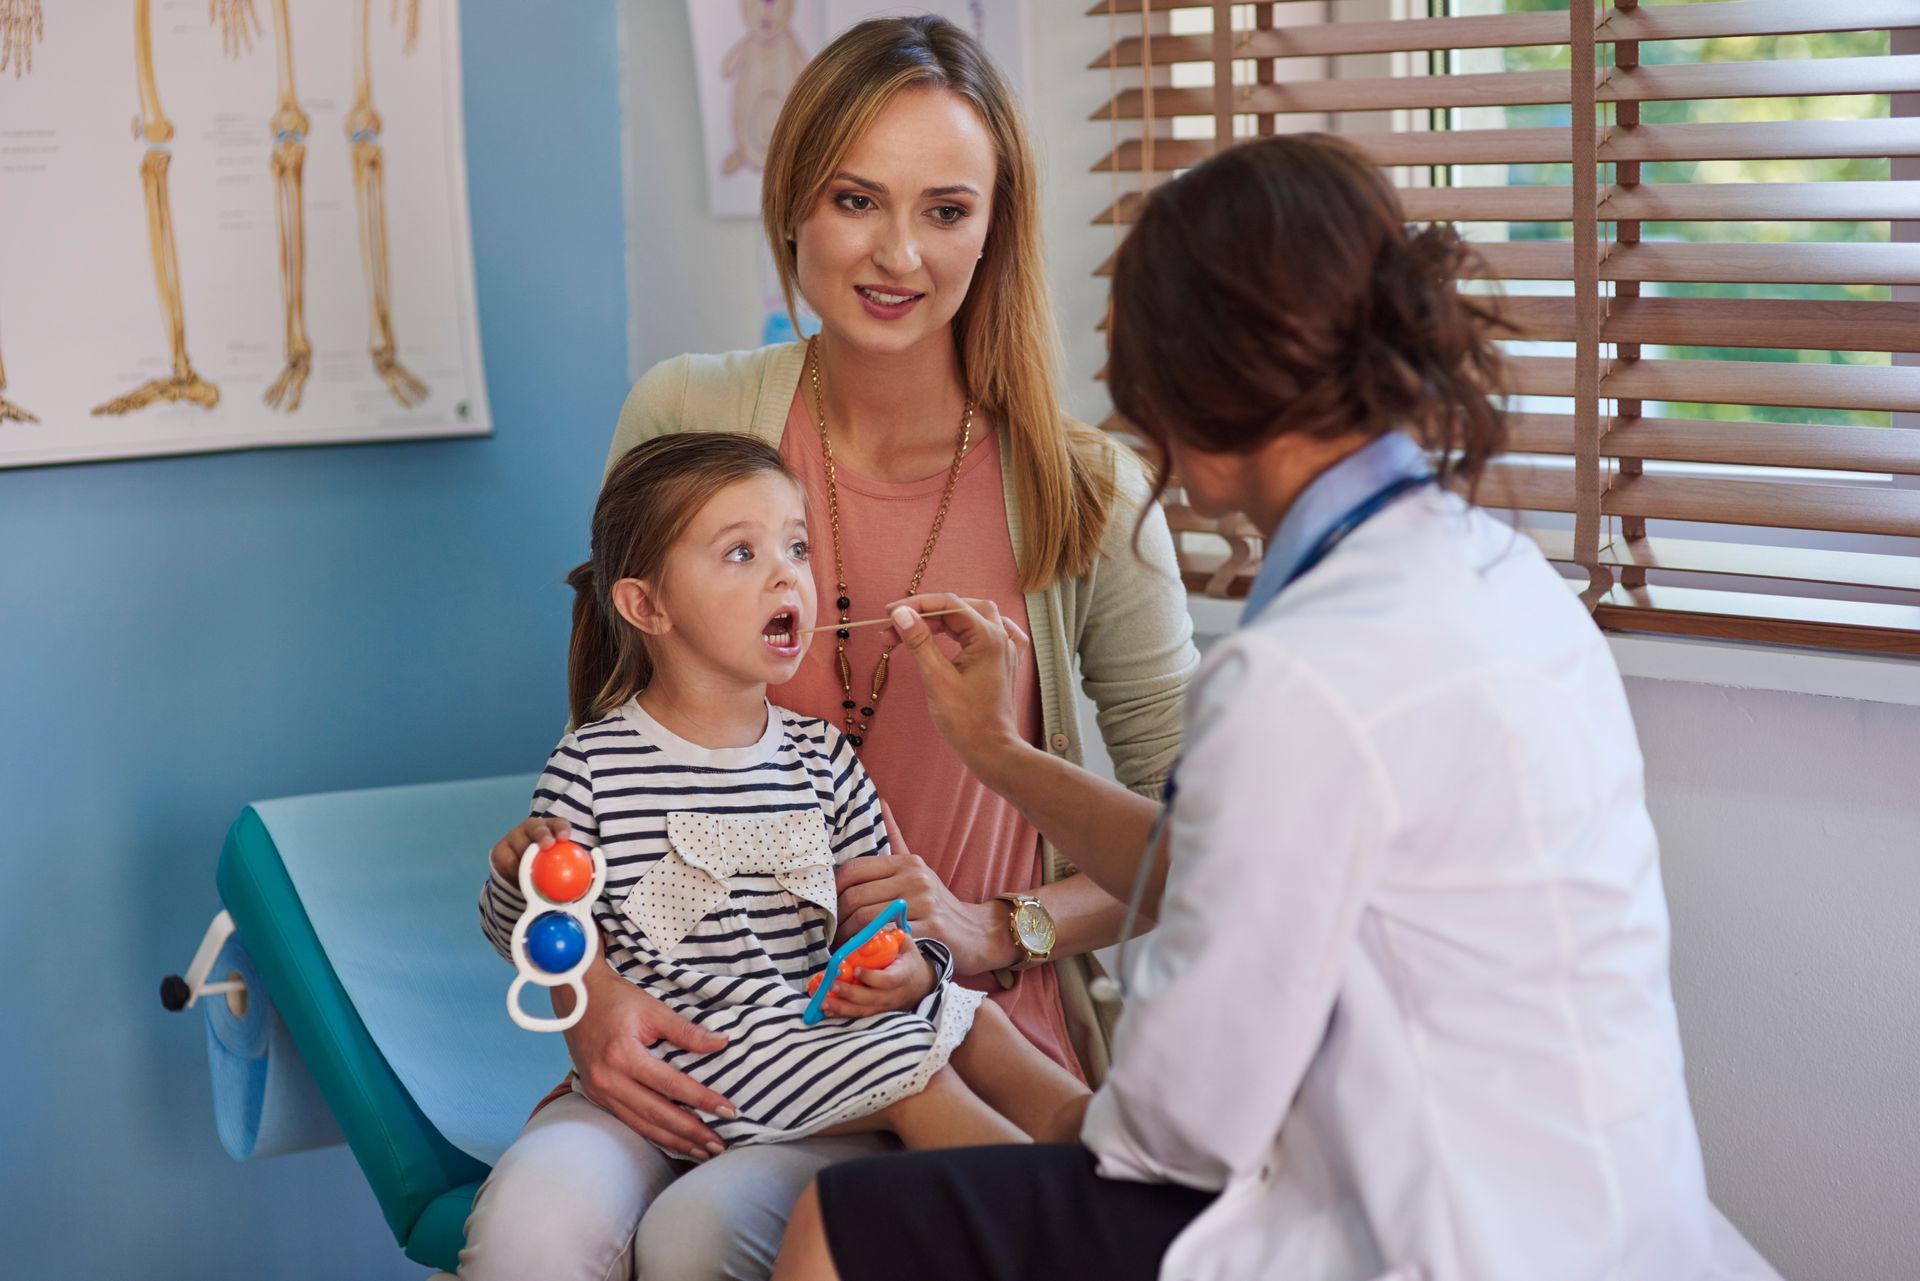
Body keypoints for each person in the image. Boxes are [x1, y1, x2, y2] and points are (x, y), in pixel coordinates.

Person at [772, 134, 1784, 1281]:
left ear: (1186, 379)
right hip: (1609, 1209)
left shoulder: (1303, 674)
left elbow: (1176, 1129)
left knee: (841, 1226)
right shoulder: (1503, 582)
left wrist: (953, 1064)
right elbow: (1222, 857)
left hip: (1434, 1238)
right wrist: (995, 750)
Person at [475, 18, 1197, 1275]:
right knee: (535, 1226)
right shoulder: (686, 414)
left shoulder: (1091, 495)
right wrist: (588, 1004)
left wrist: (995, 928)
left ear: (998, 226)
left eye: (947, 210)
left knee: (704, 1233)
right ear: (794, 201)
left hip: (937, 1032)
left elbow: (1206, 850)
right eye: (856, 199)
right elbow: (607, 755)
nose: (897, 253)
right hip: (693, 1025)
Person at [460, 434, 1090, 1279]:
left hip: (798, 1044)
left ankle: (1100, 1164)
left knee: (967, 1019)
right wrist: (517, 875)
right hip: (685, 1066)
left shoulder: (823, 759)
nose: (787, 572)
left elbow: (886, 926)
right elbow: (537, 934)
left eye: (796, 546)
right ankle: (1063, 1232)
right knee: (915, 1071)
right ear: (648, 607)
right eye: (742, 552)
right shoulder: (593, 765)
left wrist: (903, 968)